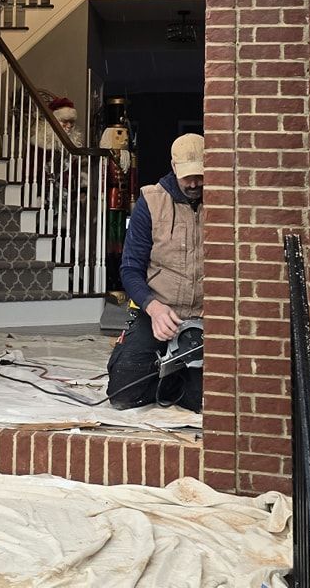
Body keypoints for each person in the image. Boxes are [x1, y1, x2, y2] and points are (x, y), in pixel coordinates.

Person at [106, 133, 204, 412]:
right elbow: (130, 270)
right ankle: (172, 371)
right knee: (124, 395)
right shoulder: (150, 201)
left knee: (204, 401)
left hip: (206, 317)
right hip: (159, 314)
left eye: (199, 175)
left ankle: (179, 376)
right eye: (188, 177)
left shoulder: (224, 200)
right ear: (173, 167)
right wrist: (154, 308)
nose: (194, 183)